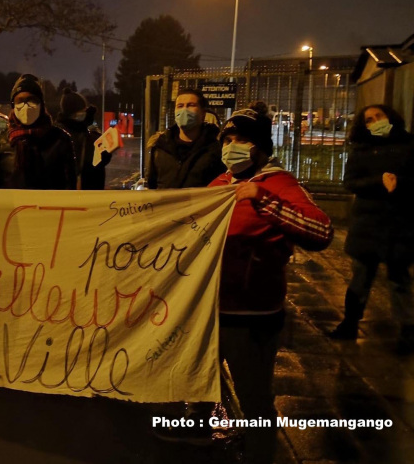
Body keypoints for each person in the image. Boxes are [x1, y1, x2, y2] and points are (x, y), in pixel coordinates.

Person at [209, 106, 333, 464]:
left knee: (254, 394)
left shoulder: (280, 185)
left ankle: (262, 451)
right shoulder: (219, 184)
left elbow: (321, 231)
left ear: (261, 147)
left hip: (252, 313)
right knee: (206, 385)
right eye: (228, 140)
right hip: (211, 308)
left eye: (242, 140)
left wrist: (263, 201)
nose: (232, 147)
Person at [329, 104, 414, 352]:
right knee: (360, 278)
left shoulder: (409, 145)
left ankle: (408, 330)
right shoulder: (362, 149)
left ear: (390, 117)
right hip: (368, 224)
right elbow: (351, 182)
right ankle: (350, 323)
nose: (375, 121)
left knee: (400, 280)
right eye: (369, 119)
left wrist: (401, 182)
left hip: (401, 223)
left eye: (379, 116)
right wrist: (378, 181)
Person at [0, 74, 76, 189]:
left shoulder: (60, 140)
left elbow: (69, 186)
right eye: (20, 101)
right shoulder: (0, 141)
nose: (25, 106)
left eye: (31, 100)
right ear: (13, 106)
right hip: (13, 206)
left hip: (47, 206)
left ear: (41, 104)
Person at [146, 88, 224, 189]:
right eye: (180, 106)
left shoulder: (216, 148)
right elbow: (151, 184)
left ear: (203, 113)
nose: (184, 110)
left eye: (191, 105)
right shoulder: (160, 146)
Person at [54, 88, 110, 189]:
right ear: (72, 113)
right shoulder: (65, 135)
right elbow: (91, 162)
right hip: (79, 194)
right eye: (81, 111)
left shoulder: (80, 130)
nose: (84, 114)